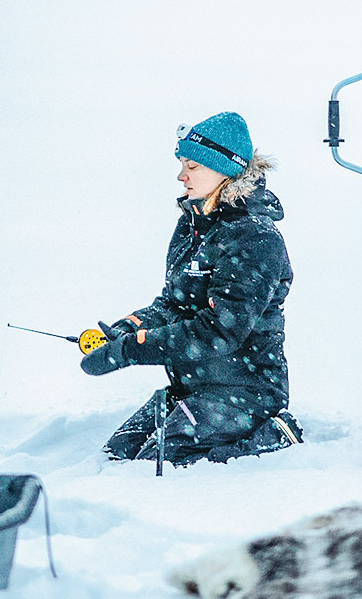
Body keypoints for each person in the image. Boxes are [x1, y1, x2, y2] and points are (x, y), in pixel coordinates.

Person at [81, 112, 303, 465]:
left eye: (194, 166)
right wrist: (129, 329)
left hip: (244, 394)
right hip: (191, 388)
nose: (181, 175)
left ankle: (275, 433)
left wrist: (130, 351)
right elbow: (173, 304)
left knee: (158, 464)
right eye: (183, 164)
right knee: (117, 456)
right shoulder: (190, 226)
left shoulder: (255, 237)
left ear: (226, 170)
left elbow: (219, 331)